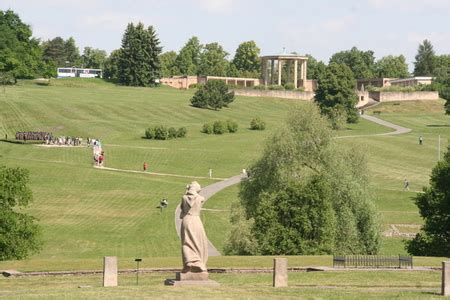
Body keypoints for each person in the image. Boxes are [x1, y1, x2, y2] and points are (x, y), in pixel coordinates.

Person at [180, 181, 208, 273]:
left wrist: (186, 191)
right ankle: (198, 262)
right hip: (196, 221)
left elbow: (182, 209)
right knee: (198, 242)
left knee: (186, 242)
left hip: (187, 220)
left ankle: (188, 262)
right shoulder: (201, 198)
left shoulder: (184, 198)